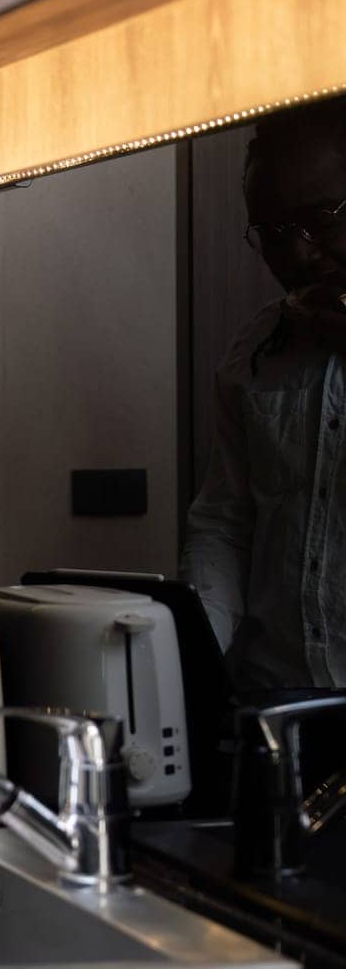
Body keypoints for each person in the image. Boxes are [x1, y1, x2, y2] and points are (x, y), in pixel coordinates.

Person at [183, 96, 346, 690]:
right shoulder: (254, 351)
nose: (299, 253)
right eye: (274, 233)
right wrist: (194, 659)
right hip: (277, 698)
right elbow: (224, 521)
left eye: (323, 218)